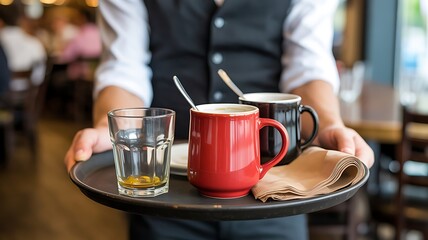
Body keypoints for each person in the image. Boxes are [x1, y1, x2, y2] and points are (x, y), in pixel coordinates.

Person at [64, 0, 375, 239]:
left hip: (275, 197)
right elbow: (124, 66)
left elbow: (308, 68)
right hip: (166, 197)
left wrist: (330, 124)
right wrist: (115, 130)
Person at [0, 1, 46, 91]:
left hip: (2, 95)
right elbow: (39, 77)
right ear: (22, 20)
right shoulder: (34, 43)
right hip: (27, 96)